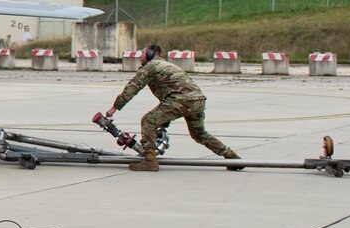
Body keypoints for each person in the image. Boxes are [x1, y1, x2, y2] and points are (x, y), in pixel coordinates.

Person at [101, 45, 244, 172]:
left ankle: (150, 161)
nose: (139, 56)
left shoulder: (151, 66)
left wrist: (115, 107)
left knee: (148, 120)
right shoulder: (166, 65)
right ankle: (231, 156)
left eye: (142, 53)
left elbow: (133, 87)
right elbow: (168, 95)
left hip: (182, 100)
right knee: (199, 134)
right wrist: (165, 121)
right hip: (197, 100)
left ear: (150, 54)